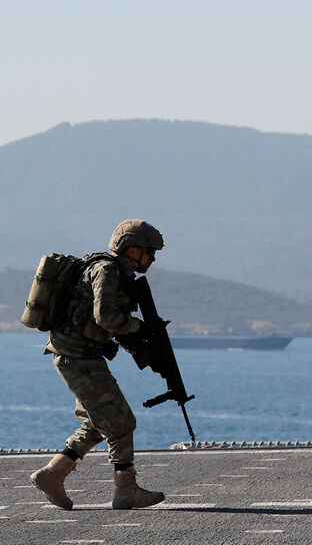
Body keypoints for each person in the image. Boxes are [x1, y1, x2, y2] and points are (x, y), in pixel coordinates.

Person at [29, 219, 168, 511]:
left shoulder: (116, 272)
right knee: (121, 422)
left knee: (97, 422)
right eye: (148, 252)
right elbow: (106, 317)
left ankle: (52, 475)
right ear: (131, 249)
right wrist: (137, 327)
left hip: (78, 356)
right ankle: (126, 490)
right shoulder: (107, 271)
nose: (151, 259)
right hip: (78, 358)